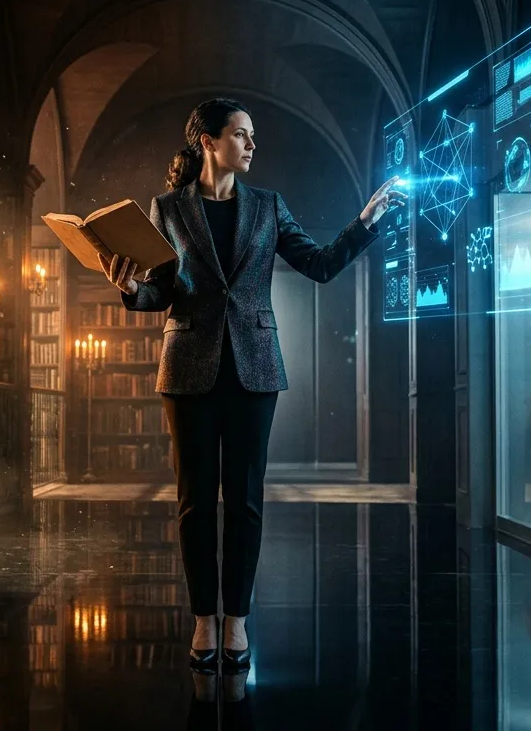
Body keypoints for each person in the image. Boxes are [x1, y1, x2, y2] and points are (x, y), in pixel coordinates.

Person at [99, 98, 405, 673]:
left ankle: (235, 620)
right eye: (241, 135)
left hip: (255, 368)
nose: (252, 145)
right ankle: (202, 620)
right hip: (187, 367)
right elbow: (158, 294)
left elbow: (317, 265)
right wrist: (126, 286)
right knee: (194, 504)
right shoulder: (167, 208)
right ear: (209, 142)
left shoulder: (268, 206)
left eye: (252, 136)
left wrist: (365, 224)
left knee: (244, 502)